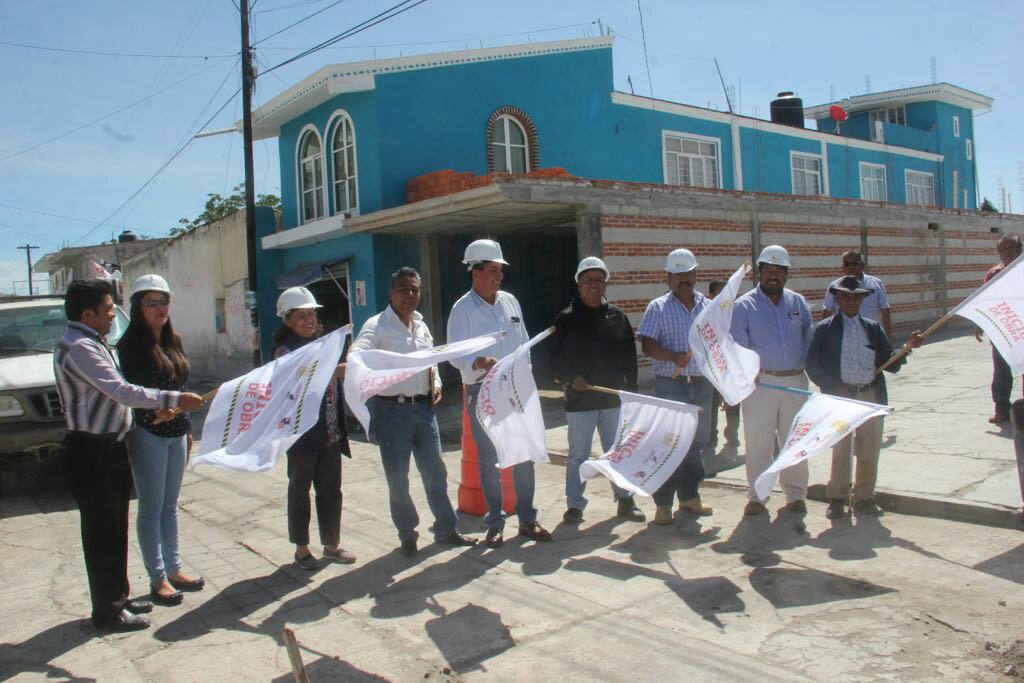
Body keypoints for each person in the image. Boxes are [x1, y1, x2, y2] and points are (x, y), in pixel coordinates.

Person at [53, 279, 205, 632]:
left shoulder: (94, 341)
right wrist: (174, 400)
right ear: (87, 313)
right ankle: (108, 611)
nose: (112, 314)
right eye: (108, 309)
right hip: (92, 448)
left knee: (115, 528)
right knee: (102, 534)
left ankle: (119, 598)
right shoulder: (80, 347)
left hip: (110, 445)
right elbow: (121, 391)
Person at [351, 267, 477, 556]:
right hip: (391, 411)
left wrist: (436, 384)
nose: (409, 295)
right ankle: (407, 534)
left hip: (424, 410)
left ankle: (446, 529)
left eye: (414, 289)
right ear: (391, 293)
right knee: (398, 478)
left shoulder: (421, 325)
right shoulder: (377, 325)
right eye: (403, 289)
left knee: (436, 473)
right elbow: (359, 353)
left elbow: (431, 361)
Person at [447, 238, 551, 548]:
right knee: (489, 459)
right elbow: (454, 354)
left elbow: (524, 341)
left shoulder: (510, 302)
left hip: (515, 387)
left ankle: (528, 519)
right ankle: (494, 522)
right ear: (475, 271)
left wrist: (524, 379)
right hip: (482, 390)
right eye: (492, 270)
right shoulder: (462, 309)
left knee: (523, 455)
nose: (499, 276)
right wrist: (479, 362)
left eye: (500, 270)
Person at [116, 274, 205, 607]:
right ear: (138, 307)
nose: (159, 308)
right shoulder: (130, 346)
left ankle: (174, 568)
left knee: (170, 506)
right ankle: (157, 578)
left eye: (164, 301)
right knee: (151, 508)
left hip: (177, 433)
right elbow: (133, 392)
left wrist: (187, 428)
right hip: (148, 434)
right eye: (151, 303)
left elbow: (182, 387)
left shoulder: (173, 341)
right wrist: (158, 410)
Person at [806, 276, 924, 518]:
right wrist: (834, 387)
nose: (850, 302)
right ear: (838, 300)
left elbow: (889, 362)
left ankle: (864, 497)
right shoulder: (825, 329)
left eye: (855, 298)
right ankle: (837, 498)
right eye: (845, 297)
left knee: (869, 448)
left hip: (870, 395)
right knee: (841, 449)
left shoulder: (872, 328)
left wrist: (908, 347)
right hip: (840, 398)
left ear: (862, 300)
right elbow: (812, 364)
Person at [548, 257, 644, 525]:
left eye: (599, 280)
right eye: (588, 280)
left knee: (617, 452)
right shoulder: (566, 319)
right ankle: (574, 505)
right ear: (578, 285)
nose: (593, 285)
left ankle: (625, 500)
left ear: (606, 284)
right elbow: (552, 360)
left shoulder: (617, 317)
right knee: (578, 455)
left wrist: (631, 391)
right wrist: (570, 379)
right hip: (580, 401)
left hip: (612, 399)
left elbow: (629, 358)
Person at [272, 286, 355, 570]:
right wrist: (339, 370)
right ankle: (302, 549)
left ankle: (331, 545)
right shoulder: (284, 351)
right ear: (288, 320)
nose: (308, 321)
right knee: (300, 490)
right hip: (301, 435)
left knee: (331, 490)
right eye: (301, 316)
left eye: (311, 315)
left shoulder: (323, 343)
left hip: (330, 431)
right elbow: (303, 380)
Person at [731, 245, 814, 516]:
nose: (773, 276)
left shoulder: (797, 303)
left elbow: (808, 336)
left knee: (795, 440)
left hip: (795, 382)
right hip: (760, 384)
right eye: (768, 270)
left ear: (787, 274)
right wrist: (745, 378)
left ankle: (795, 494)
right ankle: (758, 496)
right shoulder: (744, 306)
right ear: (759, 272)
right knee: (759, 443)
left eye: (779, 270)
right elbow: (737, 347)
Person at [637, 248, 714, 524]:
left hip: (702, 385)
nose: (684, 279)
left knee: (696, 442)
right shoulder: (657, 307)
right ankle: (663, 503)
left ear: (696, 275)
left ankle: (690, 497)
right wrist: (672, 357)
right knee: (668, 442)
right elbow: (647, 344)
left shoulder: (708, 307)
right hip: (672, 384)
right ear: (668, 278)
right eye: (678, 274)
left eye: (688, 273)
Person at [975, 234, 1022, 424]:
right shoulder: (994, 273)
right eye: (1003, 250)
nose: (1007, 253)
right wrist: (980, 324)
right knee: (1001, 371)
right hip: (1003, 330)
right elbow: (984, 300)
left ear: (1020, 249)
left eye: (1011, 249)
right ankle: (1002, 409)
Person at [821, 250, 892, 339]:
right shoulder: (834, 286)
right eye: (847, 264)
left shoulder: (876, 284)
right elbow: (827, 312)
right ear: (842, 267)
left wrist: (888, 337)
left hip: (871, 336)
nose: (851, 267)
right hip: (844, 337)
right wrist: (824, 338)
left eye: (855, 263)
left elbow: (885, 311)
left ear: (862, 265)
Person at [705, 278, 741, 453]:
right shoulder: (704, 316)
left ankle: (732, 437)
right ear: (710, 296)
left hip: (731, 368)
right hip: (712, 369)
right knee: (712, 405)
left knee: (733, 403)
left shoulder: (734, 314)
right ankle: (711, 439)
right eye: (719, 294)